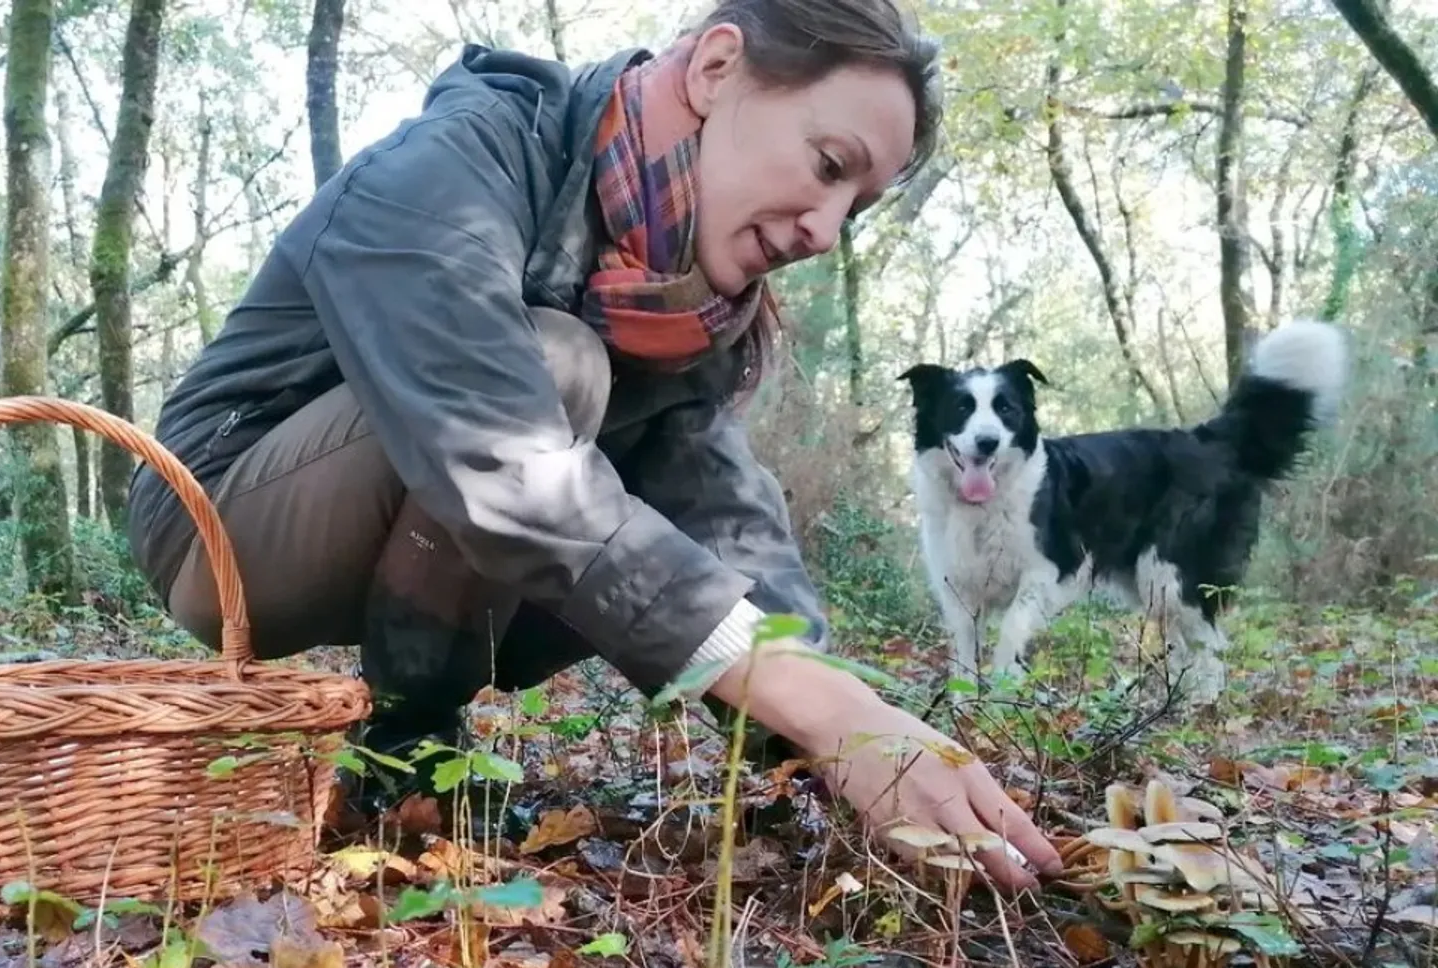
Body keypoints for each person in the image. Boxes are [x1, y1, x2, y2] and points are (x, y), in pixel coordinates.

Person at [126, 0, 1064, 892]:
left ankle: (425, 737)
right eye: (829, 164)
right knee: (558, 369)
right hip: (222, 526)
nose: (824, 230)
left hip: (432, 530)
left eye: (854, 204)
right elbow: (498, 456)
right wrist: (815, 702)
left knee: (630, 467)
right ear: (716, 65)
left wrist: (834, 733)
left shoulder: (687, 303)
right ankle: (404, 750)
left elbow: (727, 516)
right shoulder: (451, 164)